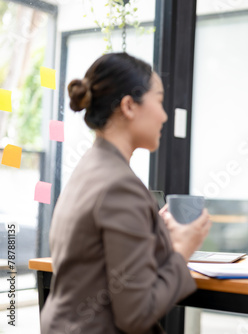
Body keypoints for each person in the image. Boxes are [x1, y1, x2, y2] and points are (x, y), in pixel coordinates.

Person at [40, 53, 211, 334]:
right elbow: (137, 314)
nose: (165, 115)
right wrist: (182, 250)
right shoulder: (119, 185)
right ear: (129, 106)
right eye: (158, 100)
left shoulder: (89, 168)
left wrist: (156, 233)